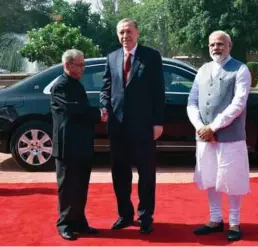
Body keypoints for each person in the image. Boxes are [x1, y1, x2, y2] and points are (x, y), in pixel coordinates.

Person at [100, 18, 165, 234]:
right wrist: (104, 107)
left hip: (144, 126)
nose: (125, 36)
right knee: (120, 173)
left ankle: (145, 215)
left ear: (137, 32)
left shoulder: (151, 56)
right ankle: (124, 215)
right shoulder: (112, 57)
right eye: (121, 32)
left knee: (146, 173)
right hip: (117, 127)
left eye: (128, 31)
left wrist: (158, 122)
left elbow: (158, 91)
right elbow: (106, 88)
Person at [187, 30, 251, 241]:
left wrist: (213, 127)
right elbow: (192, 102)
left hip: (230, 137)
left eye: (221, 44)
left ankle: (234, 222)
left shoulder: (240, 70)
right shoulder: (203, 70)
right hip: (204, 137)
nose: (216, 48)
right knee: (210, 178)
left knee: (231, 180)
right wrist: (200, 127)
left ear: (230, 46)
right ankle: (215, 219)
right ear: (208, 47)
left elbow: (238, 104)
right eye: (213, 44)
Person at [50, 49, 101, 241]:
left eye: (83, 64)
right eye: (80, 65)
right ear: (67, 65)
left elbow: (82, 110)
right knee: (68, 187)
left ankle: (79, 221)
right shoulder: (60, 86)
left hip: (82, 145)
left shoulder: (76, 84)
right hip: (67, 146)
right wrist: (98, 114)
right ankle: (64, 223)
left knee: (81, 186)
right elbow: (75, 110)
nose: (83, 68)